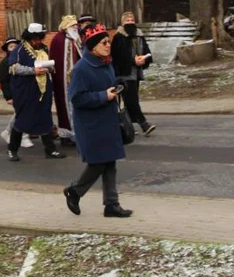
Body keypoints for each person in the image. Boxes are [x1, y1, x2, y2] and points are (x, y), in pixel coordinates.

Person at [63, 24, 133, 218]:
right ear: (92, 46)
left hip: (108, 121)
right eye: (104, 42)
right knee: (99, 163)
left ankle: (112, 204)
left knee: (109, 162)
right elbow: (77, 98)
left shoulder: (105, 62)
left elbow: (108, 84)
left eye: (108, 41)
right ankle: (74, 191)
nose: (108, 45)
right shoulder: (81, 69)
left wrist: (118, 86)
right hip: (92, 125)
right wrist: (103, 96)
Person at [7, 23, 63, 161]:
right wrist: (33, 71)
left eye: (40, 39)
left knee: (45, 118)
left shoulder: (43, 48)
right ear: (29, 37)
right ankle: (12, 149)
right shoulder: (19, 50)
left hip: (43, 90)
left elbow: (48, 64)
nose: (38, 42)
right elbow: (14, 68)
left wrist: (49, 68)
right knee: (22, 119)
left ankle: (50, 149)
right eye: (35, 39)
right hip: (25, 91)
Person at [111, 11, 155, 136]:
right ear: (122, 23)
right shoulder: (118, 37)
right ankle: (144, 124)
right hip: (124, 73)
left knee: (132, 99)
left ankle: (127, 126)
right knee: (131, 99)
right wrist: (132, 60)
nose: (130, 23)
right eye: (127, 21)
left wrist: (144, 59)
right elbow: (116, 57)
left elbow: (147, 52)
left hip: (136, 73)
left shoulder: (139, 36)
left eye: (132, 20)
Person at [49, 15, 82, 143]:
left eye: (76, 25)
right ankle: (66, 134)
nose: (76, 27)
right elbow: (57, 61)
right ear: (66, 26)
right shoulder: (59, 39)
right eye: (73, 25)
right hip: (63, 81)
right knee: (65, 106)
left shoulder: (75, 38)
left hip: (75, 78)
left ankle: (76, 131)